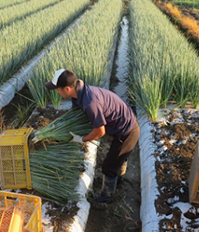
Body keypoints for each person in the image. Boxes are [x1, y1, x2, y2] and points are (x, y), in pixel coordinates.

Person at [45, 69, 140, 207]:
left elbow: (100, 131)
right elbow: (76, 116)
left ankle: (106, 197)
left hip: (127, 131)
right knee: (117, 158)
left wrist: (81, 139)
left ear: (67, 88)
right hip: (121, 125)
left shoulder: (90, 102)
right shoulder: (78, 93)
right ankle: (117, 178)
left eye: (58, 90)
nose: (57, 93)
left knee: (109, 166)